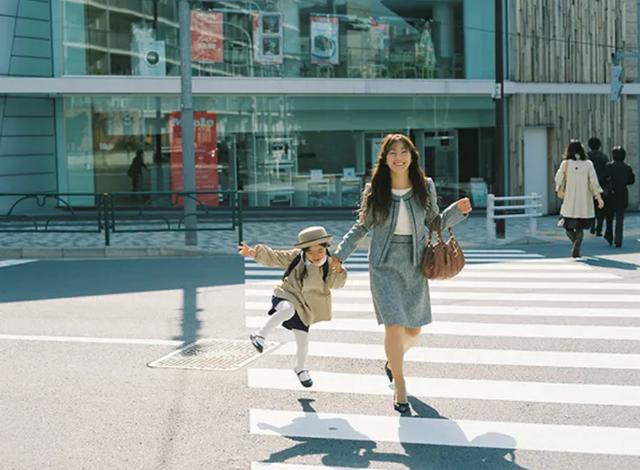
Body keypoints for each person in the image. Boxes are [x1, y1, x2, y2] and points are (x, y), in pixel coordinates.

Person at [329, 133, 471, 413]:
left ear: (412, 156)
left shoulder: (424, 186)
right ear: (385, 158)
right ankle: (401, 384)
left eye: (403, 151)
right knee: (393, 324)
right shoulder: (375, 188)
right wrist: (340, 254)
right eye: (392, 152)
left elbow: (435, 222)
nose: (398, 157)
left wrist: (458, 211)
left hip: (416, 262)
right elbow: (362, 227)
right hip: (383, 265)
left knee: (414, 329)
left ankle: (392, 361)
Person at [240, 226, 347, 388]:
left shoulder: (331, 263)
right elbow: (275, 257)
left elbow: (335, 284)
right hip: (286, 294)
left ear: (326, 247)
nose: (316, 255)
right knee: (288, 309)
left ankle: (301, 369)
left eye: (319, 251)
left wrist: (339, 271)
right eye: (310, 252)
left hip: (305, 307)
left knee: (303, 342)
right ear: (304, 251)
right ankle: (259, 335)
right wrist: (254, 253)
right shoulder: (296, 257)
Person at [555, 140, 604, 258]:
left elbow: (558, 179)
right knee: (580, 228)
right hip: (584, 202)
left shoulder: (565, 164)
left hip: (569, 201)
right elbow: (594, 183)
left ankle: (575, 244)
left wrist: (559, 187)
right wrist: (599, 198)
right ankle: (577, 245)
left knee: (568, 228)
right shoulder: (588, 164)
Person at [603, 146, 636, 248]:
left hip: (611, 194)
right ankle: (618, 239)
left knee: (609, 217)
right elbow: (631, 181)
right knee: (619, 219)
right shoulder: (627, 167)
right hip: (622, 194)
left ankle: (609, 235)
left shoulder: (609, 166)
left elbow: (604, 178)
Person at [587, 137, 609, 235]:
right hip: (601, 184)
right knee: (601, 208)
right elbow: (607, 171)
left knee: (591, 206)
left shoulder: (587, 157)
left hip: (589, 185)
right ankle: (599, 229)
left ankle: (592, 226)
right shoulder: (604, 157)